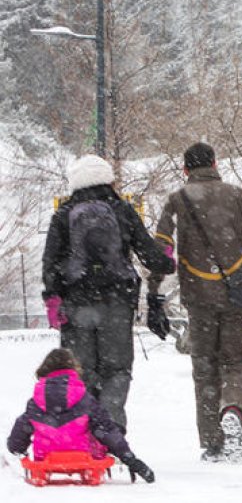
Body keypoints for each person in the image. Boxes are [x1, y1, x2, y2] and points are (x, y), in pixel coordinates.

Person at [146, 142, 242, 463]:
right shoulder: (236, 197)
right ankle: (232, 408)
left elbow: (165, 253)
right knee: (235, 361)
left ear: (185, 169)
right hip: (237, 295)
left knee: (204, 367)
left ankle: (213, 441)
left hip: (199, 298)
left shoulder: (177, 202)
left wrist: (156, 296)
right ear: (215, 163)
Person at [40, 154, 174, 431]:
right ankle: (110, 429)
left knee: (79, 371)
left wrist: (53, 298)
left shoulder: (64, 214)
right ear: (108, 179)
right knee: (117, 369)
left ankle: (83, 430)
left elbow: (50, 262)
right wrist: (167, 259)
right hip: (117, 302)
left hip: (76, 303)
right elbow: (151, 257)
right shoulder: (122, 210)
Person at [8, 348, 155, 483]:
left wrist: (17, 448)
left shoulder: (35, 402)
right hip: (84, 455)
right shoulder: (85, 399)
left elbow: (18, 437)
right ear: (74, 370)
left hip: (46, 455)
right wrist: (128, 457)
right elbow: (107, 430)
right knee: (102, 425)